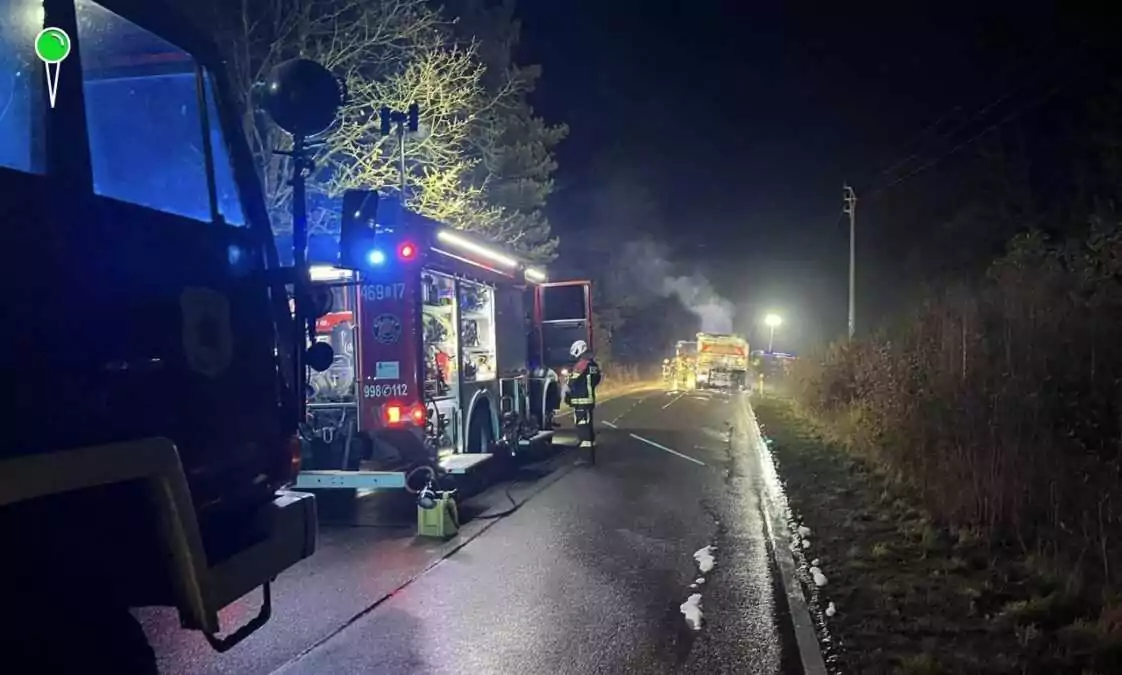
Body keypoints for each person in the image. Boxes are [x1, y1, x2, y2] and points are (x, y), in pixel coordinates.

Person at [565, 339, 601, 463]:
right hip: (589, 401)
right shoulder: (593, 365)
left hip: (581, 402)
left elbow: (572, 381)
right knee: (588, 428)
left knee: (583, 429)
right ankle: (591, 456)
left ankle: (585, 458)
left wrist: (568, 394)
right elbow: (596, 380)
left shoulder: (582, 364)